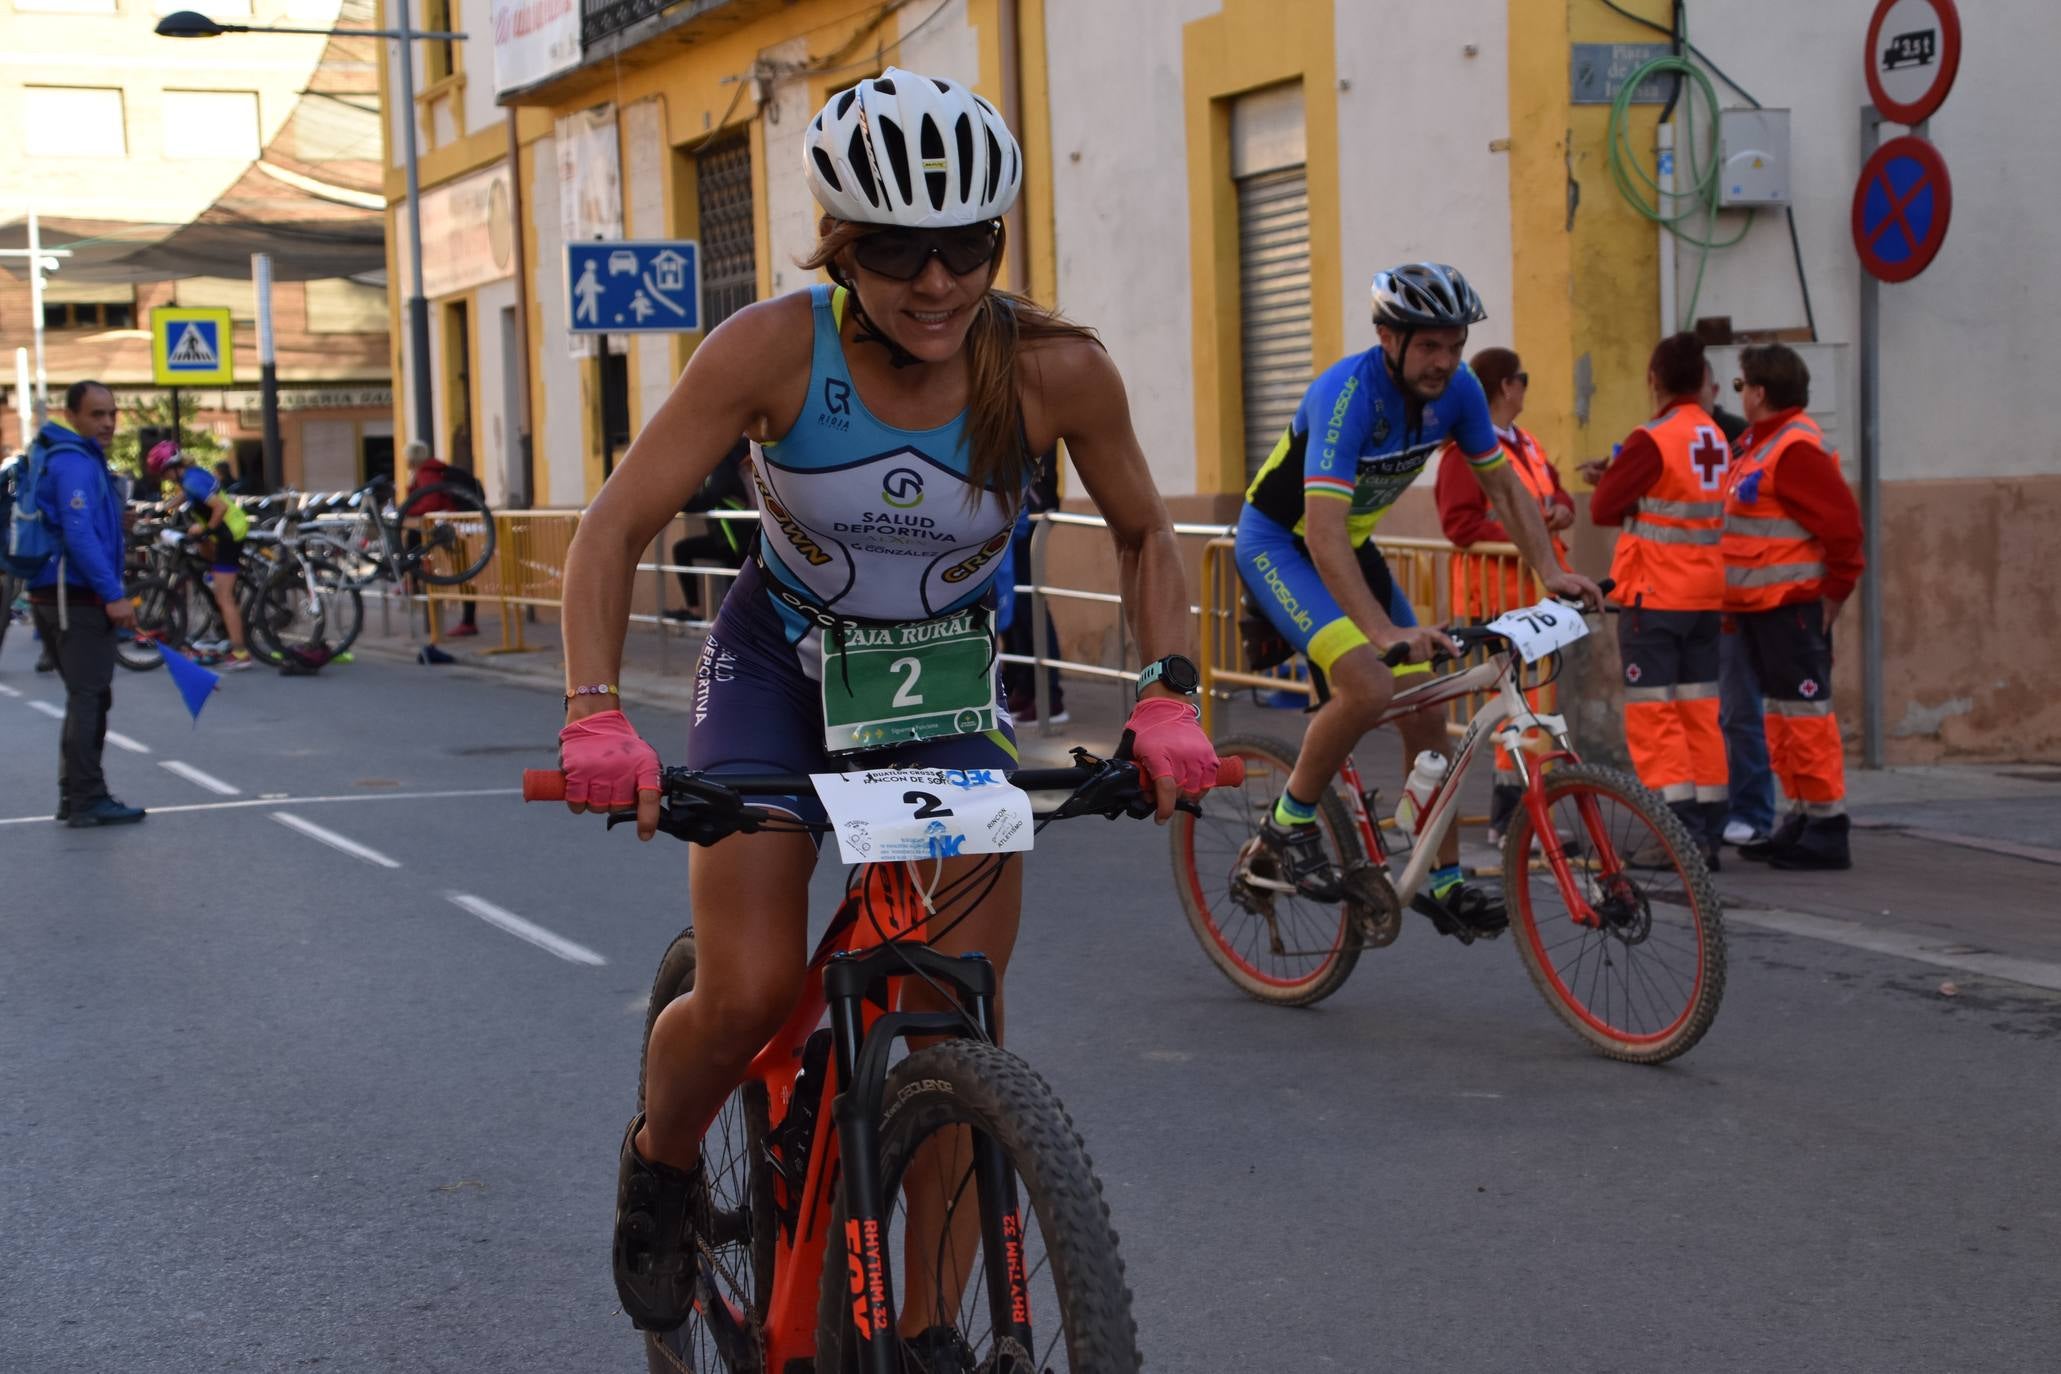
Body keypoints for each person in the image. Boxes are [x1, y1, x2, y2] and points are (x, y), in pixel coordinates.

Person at [549, 69, 1220, 1337]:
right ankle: (663, 1160)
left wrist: (1168, 699)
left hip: (935, 691)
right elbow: (617, 524)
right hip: (776, 672)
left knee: (948, 1017)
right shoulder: (768, 350)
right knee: (747, 993)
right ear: (841, 244)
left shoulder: (1057, 371)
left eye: (966, 245)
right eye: (899, 250)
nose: (937, 283)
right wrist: (594, 711)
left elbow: (1145, 533)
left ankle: (925, 1338)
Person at [1235, 263, 1600, 934]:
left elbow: (1503, 488)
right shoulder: (1346, 396)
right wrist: (1377, 632)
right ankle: (1289, 823)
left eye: (1454, 345)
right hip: (1280, 545)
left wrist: (1548, 570)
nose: (1444, 362)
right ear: (1387, 338)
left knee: (1427, 707)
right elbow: (1319, 532)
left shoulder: (1458, 392)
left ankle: (1442, 879)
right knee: (1370, 686)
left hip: (1350, 546)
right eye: (1428, 346)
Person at [1588, 333, 1731, 867]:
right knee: (1700, 712)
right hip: (1704, 596)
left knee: (1655, 716)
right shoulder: (1714, 436)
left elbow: (1604, 506)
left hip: (1656, 597)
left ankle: (1676, 833)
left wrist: (1619, 481)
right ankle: (1709, 829)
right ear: (1700, 381)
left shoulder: (1652, 438)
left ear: (1654, 380)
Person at [1722, 344, 1864, 870]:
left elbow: (1844, 531)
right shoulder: (1758, 445)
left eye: (1740, 386)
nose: (1739, 395)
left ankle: (1828, 827)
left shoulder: (1793, 449)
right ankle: (1802, 814)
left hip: (1792, 605)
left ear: (1760, 392)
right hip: (1763, 607)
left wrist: (1833, 596)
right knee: (1783, 718)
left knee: (1805, 718)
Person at [1434, 346, 1574, 843]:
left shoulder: (1526, 444)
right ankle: (1516, 817)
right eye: (1523, 378)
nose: (1526, 387)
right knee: (1519, 709)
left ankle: (1521, 813)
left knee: (1535, 706)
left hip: (1537, 601)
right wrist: (1524, 537)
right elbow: (1460, 524)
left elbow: (1556, 494)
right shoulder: (1462, 455)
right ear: (1504, 387)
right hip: (1496, 598)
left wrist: (1556, 511)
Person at [26, 381, 145, 826]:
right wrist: (114, 595)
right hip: (74, 597)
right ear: (72, 415)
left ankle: (74, 795)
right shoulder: (75, 462)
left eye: (112, 413)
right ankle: (86, 799)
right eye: (97, 414)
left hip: (55, 593)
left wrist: (117, 520)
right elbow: (77, 534)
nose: (108, 422)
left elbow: (76, 523)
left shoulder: (68, 459)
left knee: (86, 697)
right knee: (90, 698)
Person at [1698, 361, 1775, 846]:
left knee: (1742, 711)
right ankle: (1736, 809)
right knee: (1721, 711)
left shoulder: (1737, 437)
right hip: (1713, 592)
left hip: (1754, 597)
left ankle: (1754, 811)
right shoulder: (1743, 443)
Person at [145, 441, 254, 671]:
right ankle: (216, 584)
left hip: (229, 534)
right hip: (222, 532)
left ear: (171, 468)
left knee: (224, 597)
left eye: (163, 473)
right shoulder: (191, 476)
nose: (164, 478)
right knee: (202, 553)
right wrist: (161, 509)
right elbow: (186, 495)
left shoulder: (192, 480)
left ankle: (241, 652)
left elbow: (220, 508)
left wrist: (204, 529)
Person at [1001, 449, 1067, 723]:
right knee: (1012, 603)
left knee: (1030, 604)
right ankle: (1023, 684)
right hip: (1010, 504)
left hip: (1030, 508)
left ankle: (1051, 696)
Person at [661, 435, 752, 621]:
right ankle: (698, 613)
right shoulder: (724, 462)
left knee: (682, 550)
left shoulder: (722, 463)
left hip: (735, 539)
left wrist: (675, 502)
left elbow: (710, 498)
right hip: (733, 539)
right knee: (737, 600)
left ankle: (695, 611)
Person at [402, 440, 480, 637]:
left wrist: (408, 510)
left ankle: (411, 577)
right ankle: (412, 577)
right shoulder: (435, 469)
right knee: (462, 570)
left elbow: (431, 501)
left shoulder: (426, 473)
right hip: (452, 524)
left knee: (461, 570)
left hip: (448, 526)